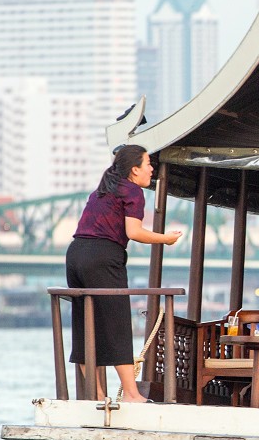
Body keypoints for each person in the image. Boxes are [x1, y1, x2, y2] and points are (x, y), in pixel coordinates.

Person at [66, 145, 182, 403]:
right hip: (103, 257)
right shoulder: (133, 191)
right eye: (148, 163)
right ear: (134, 169)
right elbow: (134, 231)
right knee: (116, 322)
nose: (152, 168)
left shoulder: (103, 189)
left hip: (75, 255)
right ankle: (131, 394)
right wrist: (166, 239)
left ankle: (95, 395)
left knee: (86, 324)